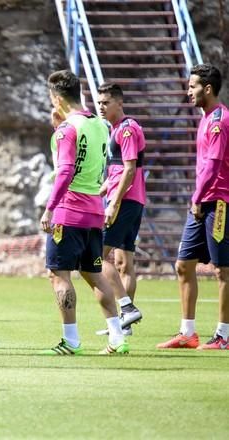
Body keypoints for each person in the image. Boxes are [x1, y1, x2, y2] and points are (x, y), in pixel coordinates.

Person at [40, 69, 128, 356]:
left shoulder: (68, 129)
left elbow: (65, 170)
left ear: (56, 98)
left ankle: (71, 340)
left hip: (68, 211)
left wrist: (50, 208)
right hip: (94, 210)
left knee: (58, 274)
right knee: (94, 274)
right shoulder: (100, 125)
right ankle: (117, 337)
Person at [157, 63, 229, 350]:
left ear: (207, 88)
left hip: (218, 203)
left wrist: (197, 199)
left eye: (192, 86)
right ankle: (187, 332)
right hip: (201, 201)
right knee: (183, 265)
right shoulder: (206, 117)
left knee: (223, 270)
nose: (188, 91)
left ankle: (223, 335)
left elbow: (212, 166)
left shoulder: (219, 121)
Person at [93, 83, 144, 337]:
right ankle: (125, 324)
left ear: (119, 103)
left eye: (106, 102)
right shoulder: (114, 129)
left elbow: (130, 168)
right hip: (125, 199)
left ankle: (127, 306)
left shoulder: (126, 129)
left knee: (95, 256)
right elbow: (116, 171)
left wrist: (113, 202)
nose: (101, 107)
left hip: (125, 201)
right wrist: (101, 191)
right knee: (124, 262)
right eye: (99, 102)